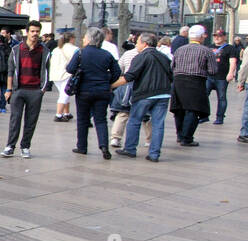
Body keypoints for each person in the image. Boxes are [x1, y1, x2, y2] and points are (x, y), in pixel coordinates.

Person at [113, 32, 174, 162]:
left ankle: (130, 149)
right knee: (158, 124)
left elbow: (130, 76)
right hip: (163, 93)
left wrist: (110, 85)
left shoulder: (141, 57)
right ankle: (154, 154)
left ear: (145, 44)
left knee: (134, 120)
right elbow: (171, 74)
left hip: (145, 94)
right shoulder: (163, 57)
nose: (136, 45)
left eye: (138, 42)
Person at [66, 26, 122, 157]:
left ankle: (82, 146)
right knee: (101, 120)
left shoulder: (80, 53)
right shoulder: (107, 54)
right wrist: (108, 81)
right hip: (102, 91)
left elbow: (70, 69)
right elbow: (117, 72)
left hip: (83, 91)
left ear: (89, 39)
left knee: (83, 119)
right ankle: (104, 147)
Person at [0, 20, 50, 159]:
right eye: (32, 31)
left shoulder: (44, 51)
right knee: (15, 118)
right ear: (27, 32)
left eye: (37, 31)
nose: (35, 34)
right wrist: (9, 89)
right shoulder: (17, 50)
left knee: (31, 120)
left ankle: (25, 146)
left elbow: (46, 70)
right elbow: (11, 70)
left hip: (35, 90)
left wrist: (43, 89)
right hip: (18, 89)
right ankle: (10, 146)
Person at [169, 24, 213, 147]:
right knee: (193, 110)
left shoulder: (179, 50)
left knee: (179, 109)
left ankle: (180, 135)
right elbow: (213, 70)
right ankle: (187, 137)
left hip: (178, 80)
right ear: (201, 37)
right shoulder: (206, 51)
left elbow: (172, 67)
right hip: (196, 82)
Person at [207, 28, 238, 124]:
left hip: (221, 77)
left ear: (224, 37)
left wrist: (231, 73)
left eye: (219, 36)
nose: (217, 38)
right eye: (215, 36)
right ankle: (204, 115)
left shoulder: (230, 48)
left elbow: (233, 62)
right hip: (209, 76)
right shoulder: (209, 47)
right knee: (203, 96)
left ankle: (220, 117)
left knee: (221, 97)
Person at [50, 32, 77, 121]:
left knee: (64, 94)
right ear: (71, 38)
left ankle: (66, 113)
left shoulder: (56, 49)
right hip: (66, 74)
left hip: (55, 75)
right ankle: (58, 115)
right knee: (64, 95)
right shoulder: (74, 49)